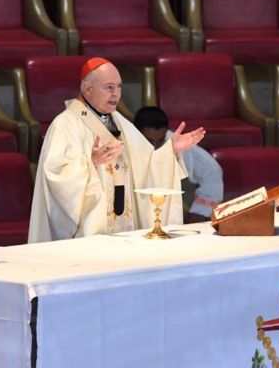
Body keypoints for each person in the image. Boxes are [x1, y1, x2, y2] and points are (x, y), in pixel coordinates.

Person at [29, 57, 206, 242]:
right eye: (109, 87)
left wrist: (169, 151)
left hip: (124, 229)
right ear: (88, 88)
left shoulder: (118, 120)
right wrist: (90, 164)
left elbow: (145, 165)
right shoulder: (65, 125)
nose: (116, 94)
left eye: (119, 86)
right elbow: (55, 175)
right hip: (89, 235)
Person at [134, 106, 223, 223]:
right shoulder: (127, 143)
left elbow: (212, 170)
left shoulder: (175, 143)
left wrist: (200, 211)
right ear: (135, 133)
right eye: (149, 141)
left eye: (160, 140)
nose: (155, 146)